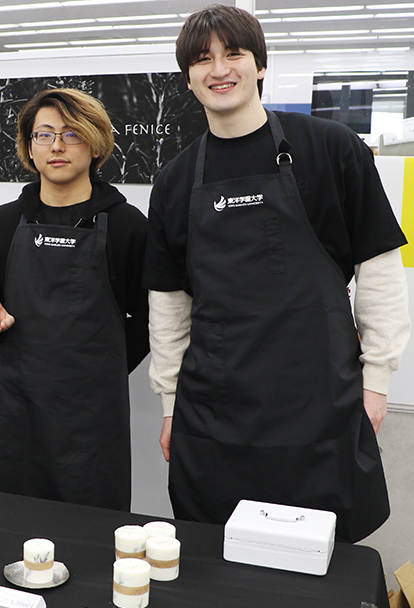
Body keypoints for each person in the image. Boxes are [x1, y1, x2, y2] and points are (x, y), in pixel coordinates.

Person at [144, 5, 410, 543]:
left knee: (321, 559)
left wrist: (377, 381)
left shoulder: (332, 149)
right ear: (188, 78)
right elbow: (169, 305)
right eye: (202, 60)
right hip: (216, 411)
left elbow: (380, 271)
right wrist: (171, 404)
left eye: (233, 54)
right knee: (217, 558)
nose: (219, 69)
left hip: (321, 400)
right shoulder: (175, 179)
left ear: (260, 65)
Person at [0, 88, 150, 509]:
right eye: (44, 135)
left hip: (91, 419)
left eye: (71, 134)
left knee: (87, 530)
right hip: (17, 411)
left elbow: (149, 319)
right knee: (4, 518)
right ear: (29, 147)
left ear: (96, 143)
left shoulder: (128, 227)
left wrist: (101, 371)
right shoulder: (1, 224)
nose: (57, 146)